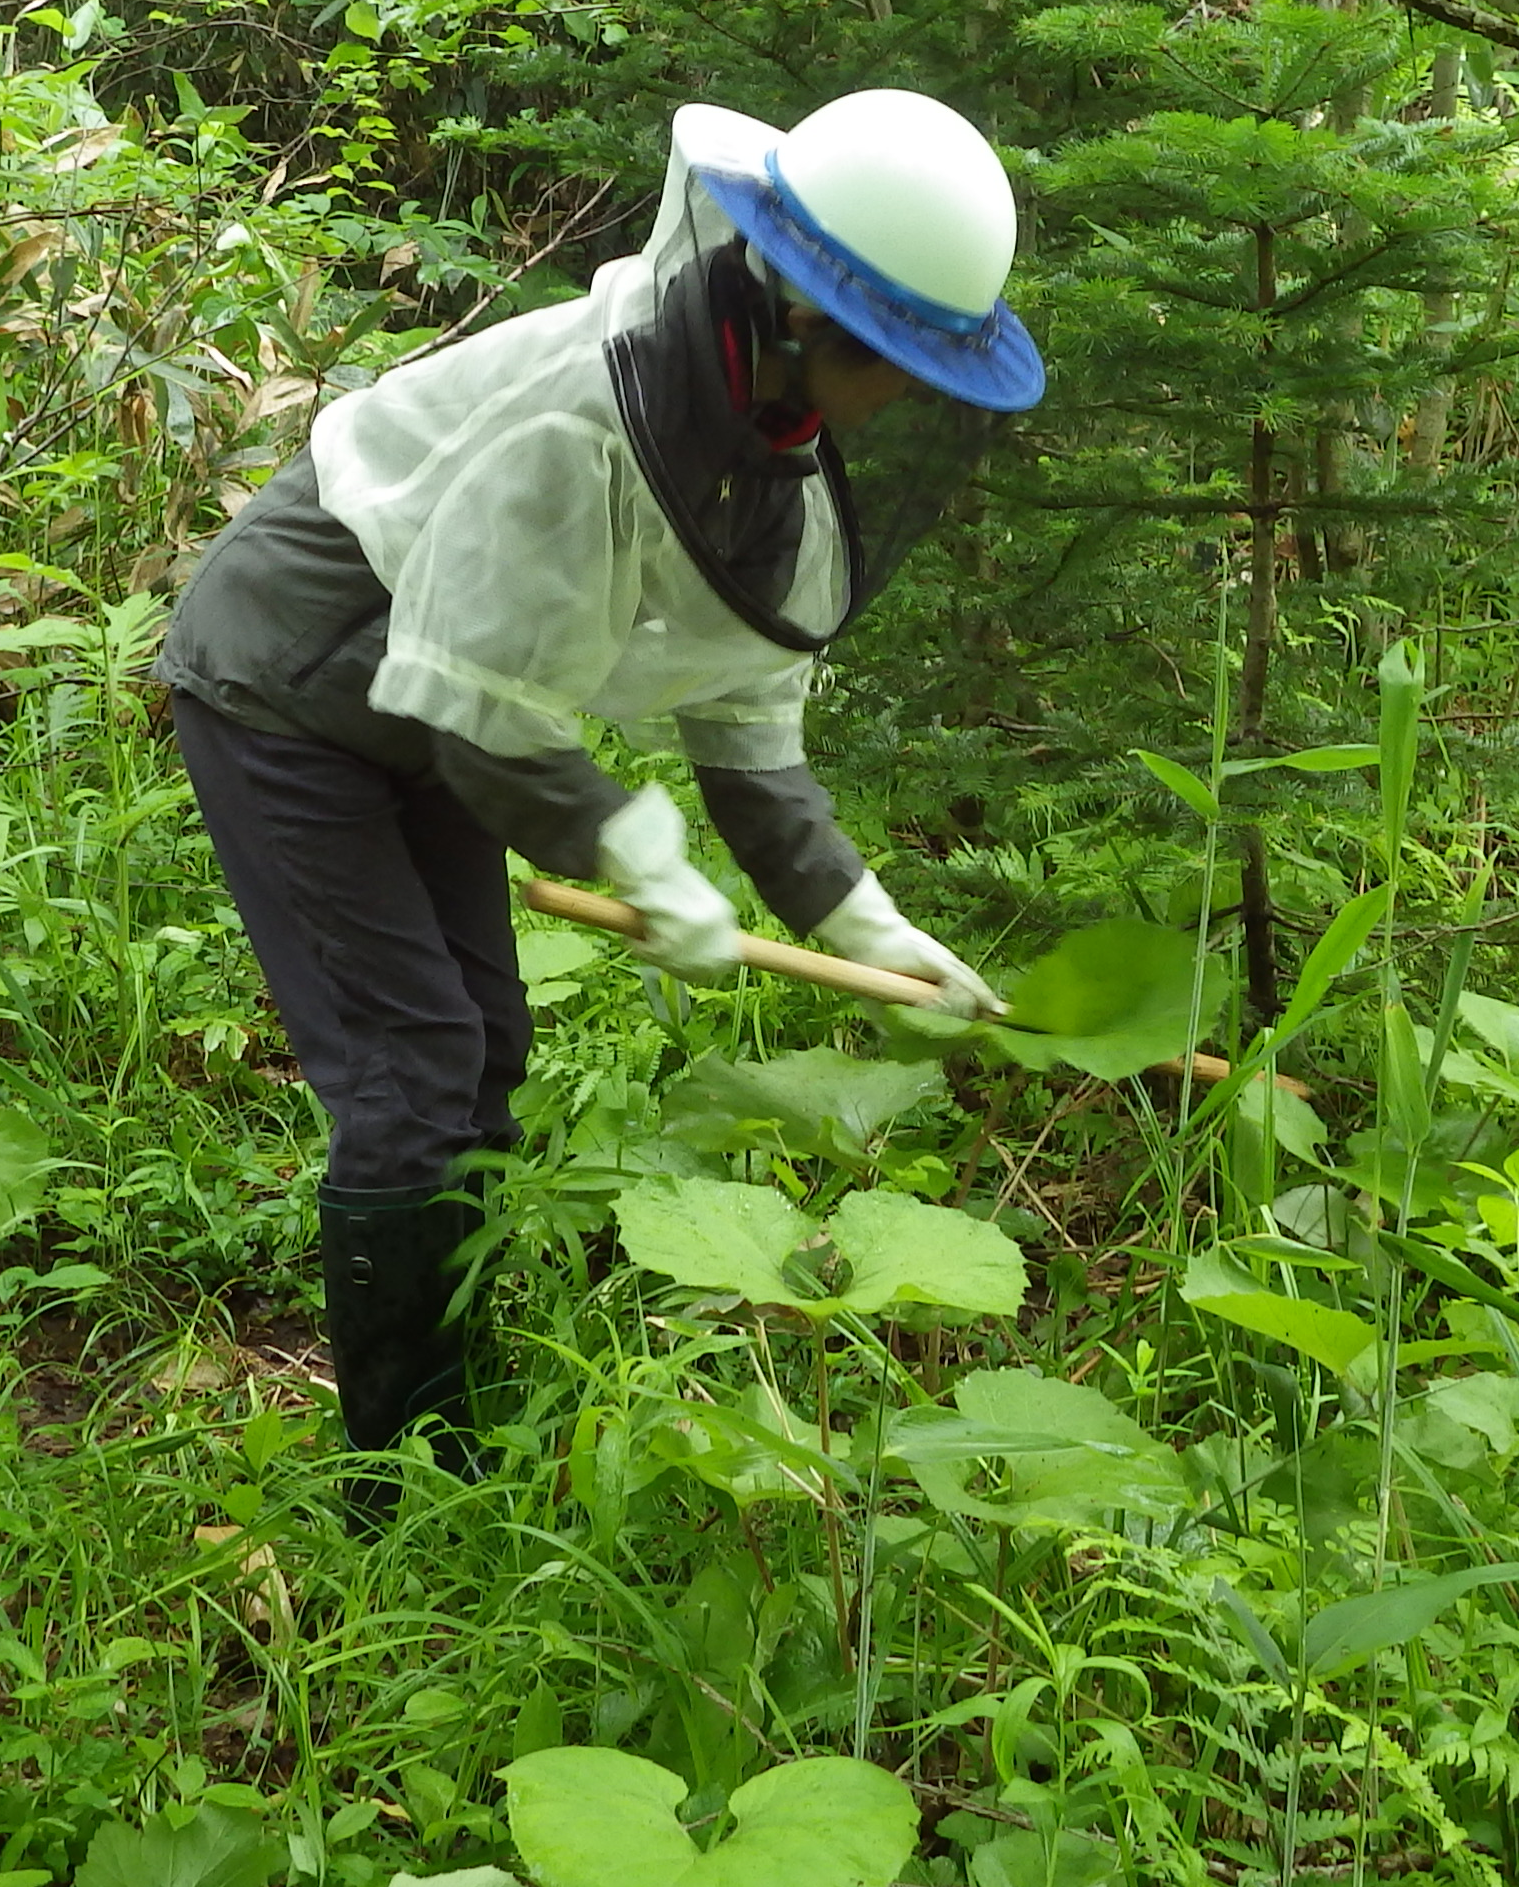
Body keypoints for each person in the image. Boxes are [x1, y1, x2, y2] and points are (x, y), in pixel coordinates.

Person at [156, 88, 1044, 1495]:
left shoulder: (767, 457)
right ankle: (404, 1479)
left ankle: (457, 1392)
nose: (912, 397)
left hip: (437, 704)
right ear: (810, 318)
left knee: (483, 1047)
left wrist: (868, 923)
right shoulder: (581, 424)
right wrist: (643, 856)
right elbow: (478, 710)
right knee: (410, 1070)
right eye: (902, 360)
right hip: (292, 686)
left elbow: (751, 737)